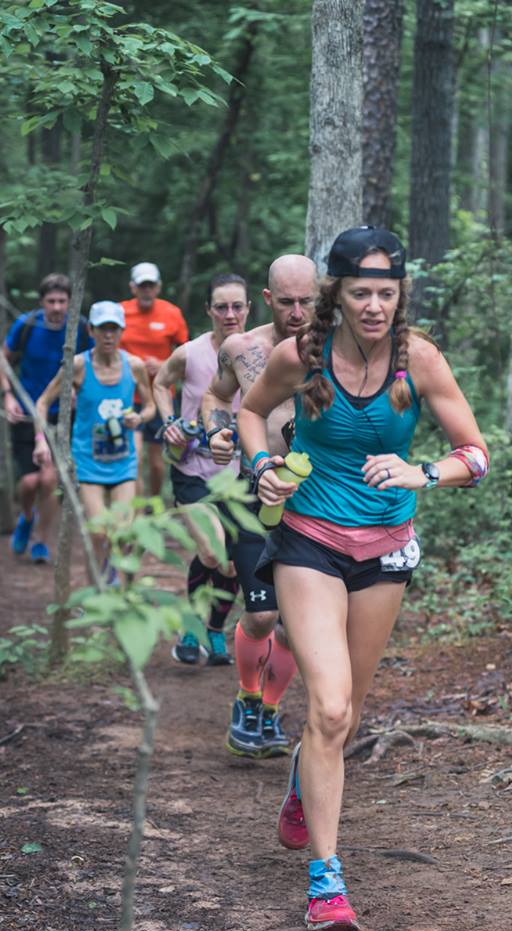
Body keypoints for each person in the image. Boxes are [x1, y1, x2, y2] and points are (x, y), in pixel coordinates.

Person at [237, 226, 489, 931]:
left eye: (386, 292)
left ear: (399, 295)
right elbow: (251, 413)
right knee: (334, 707)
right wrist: (262, 468)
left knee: (341, 716)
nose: (375, 305)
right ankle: (326, 884)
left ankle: (301, 783)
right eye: (360, 292)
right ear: (336, 296)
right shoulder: (301, 357)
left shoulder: (419, 363)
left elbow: (475, 451)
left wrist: (424, 472)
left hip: (386, 552)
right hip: (309, 542)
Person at [201, 254, 317, 759]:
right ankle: (247, 698)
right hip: (254, 493)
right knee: (263, 615)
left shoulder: (342, 351)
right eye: (286, 302)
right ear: (267, 300)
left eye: (306, 301)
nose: (297, 311)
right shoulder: (242, 348)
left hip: (316, 499)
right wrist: (216, 433)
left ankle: (268, 708)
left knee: (296, 627)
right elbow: (215, 397)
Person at [152, 274, 249, 666]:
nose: (229, 314)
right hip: (193, 468)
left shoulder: (260, 352)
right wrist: (170, 422)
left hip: (243, 475)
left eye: (237, 306)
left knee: (232, 563)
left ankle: (213, 631)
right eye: (221, 307)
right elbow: (160, 383)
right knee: (211, 553)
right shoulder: (189, 353)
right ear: (209, 310)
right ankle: (190, 625)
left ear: (248, 309)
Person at [33, 301, 155, 584]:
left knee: (123, 531)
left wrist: (138, 418)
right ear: (91, 330)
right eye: (102, 329)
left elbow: (149, 407)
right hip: (87, 460)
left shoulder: (134, 366)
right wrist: (41, 441)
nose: (108, 336)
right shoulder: (77, 365)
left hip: (123, 460)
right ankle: (95, 594)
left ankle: (121, 586)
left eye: (114, 329)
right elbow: (42, 402)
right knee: (98, 533)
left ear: (122, 331)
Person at [0, 273, 91, 564]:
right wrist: (8, 395)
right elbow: (3, 359)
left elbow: (89, 364)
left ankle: (41, 540)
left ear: (70, 302)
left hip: (62, 414)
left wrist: (78, 388)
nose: (57, 307)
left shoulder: (81, 327)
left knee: (49, 480)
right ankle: (26, 517)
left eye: (63, 301)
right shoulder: (26, 325)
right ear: (42, 302)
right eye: (51, 301)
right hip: (26, 411)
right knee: (28, 482)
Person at [119, 262, 189, 499]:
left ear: (158, 287)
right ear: (133, 288)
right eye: (142, 286)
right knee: (135, 458)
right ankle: (136, 512)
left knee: (158, 464)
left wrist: (163, 365)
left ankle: (153, 504)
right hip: (129, 396)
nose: (146, 290)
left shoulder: (172, 314)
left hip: (161, 397)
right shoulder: (120, 313)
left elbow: (187, 355)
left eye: (150, 285)